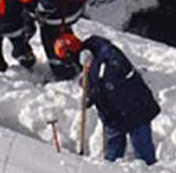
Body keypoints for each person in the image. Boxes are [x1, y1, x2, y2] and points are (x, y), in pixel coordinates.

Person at [54, 33, 160, 165]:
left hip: (134, 106)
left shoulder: (103, 50)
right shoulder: (85, 69)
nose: (70, 63)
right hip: (113, 115)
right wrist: (91, 96)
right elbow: (97, 85)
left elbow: (116, 66)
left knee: (144, 154)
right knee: (112, 157)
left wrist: (97, 69)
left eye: (68, 58)